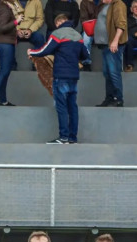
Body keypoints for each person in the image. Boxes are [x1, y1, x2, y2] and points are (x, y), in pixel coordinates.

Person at [28, 13, 89, 145]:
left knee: (61, 107)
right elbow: (85, 55)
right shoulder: (78, 35)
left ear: (59, 22)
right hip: (74, 76)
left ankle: (63, 137)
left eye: (56, 24)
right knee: (72, 107)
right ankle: (73, 138)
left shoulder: (58, 33)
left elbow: (45, 50)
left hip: (61, 76)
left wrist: (31, 52)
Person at [0, 0, 25, 105]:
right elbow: (1, 28)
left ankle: (3, 100)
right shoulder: (5, 8)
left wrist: (15, 30)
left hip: (6, 42)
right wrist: (16, 21)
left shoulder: (3, 7)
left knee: (6, 72)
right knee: (4, 71)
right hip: (5, 44)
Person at [94, 0, 128, 106]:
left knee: (113, 72)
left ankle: (118, 98)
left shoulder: (119, 4)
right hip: (105, 45)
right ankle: (109, 98)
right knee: (107, 73)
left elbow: (121, 24)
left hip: (112, 45)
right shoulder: (106, 5)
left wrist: (115, 41)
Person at [79, 0, 100, 71]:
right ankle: (86, 62)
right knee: (86, 39)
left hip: (102, 28)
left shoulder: (104, 2)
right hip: (89, 28)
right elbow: (84, 19)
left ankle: (111, 63)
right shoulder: (84, 2)